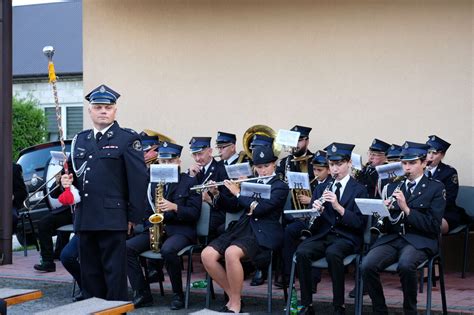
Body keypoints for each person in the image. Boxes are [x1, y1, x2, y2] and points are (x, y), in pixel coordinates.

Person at [57, 84, 148, 301]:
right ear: (90, 111)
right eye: (98, 107)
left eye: (108, 107)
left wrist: (133, 217)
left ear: (115, 110)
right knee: (90, 275)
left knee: (114, 276)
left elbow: (138, 180)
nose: (103, 111)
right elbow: (74, 176)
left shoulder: (127, 139)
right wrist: (65, 181)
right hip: (85, 216)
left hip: (113, 217)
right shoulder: (80, 140)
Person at [201, 145, 289, 313]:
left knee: (231, 253)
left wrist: (239, 193)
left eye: (266, 166)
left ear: (274, 165)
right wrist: (217, 194)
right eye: (259, 167)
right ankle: (234, 296)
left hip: (265, 231)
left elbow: (261, 209)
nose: (262, 171)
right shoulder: (248, 182)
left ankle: (235, 305)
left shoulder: (280, 186)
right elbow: (233, 207)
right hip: (243, 227)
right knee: (207, 255)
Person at [361, 141, 446, 315]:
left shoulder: (435, 188)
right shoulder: (392, 186)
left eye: (412, 163)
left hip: (420, 239)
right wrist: (381, 211)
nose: (407, 167)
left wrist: (406, 209)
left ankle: (410, 311)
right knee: (367, 265)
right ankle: (380, 310)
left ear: (424, 163)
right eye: (404, 163)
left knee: (406, 265)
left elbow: (433, 225)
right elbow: (386, 225)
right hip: (394, 238)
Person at [294, 142, 368, 315]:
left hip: (347, 237)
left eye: (339, 164)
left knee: (333, 253)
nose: (335, 169)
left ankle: (338, 305)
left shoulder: (360, 190)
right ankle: (307, 304)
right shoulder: (321, 188)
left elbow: (359, 223)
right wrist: (316, 212)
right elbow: (313, 225)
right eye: (332, 165)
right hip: (325, 236)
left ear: (349, 163)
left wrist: (337, 206)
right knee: (302, 251)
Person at [127, 142, 201, 309]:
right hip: (156, 229)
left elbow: (194, 213)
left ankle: (177, 295)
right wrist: (151, 228)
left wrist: (175, 207)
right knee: (127, 248)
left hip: (180, 230)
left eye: (170, 161)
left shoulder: (189, 181)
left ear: (178, 162)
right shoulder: (152, 184)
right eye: (163, 162)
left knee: (168, 250)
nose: (166, 165)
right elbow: (146, 211)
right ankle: (142, 292)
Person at [276, 150, 331, 291]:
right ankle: (288, 275)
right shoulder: (312, 181)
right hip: (307, 219)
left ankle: (312, 280)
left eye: (320, 170)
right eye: (314, 169)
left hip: (323, 222)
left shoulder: (331, 184)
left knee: (314, 236)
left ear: (329, 170)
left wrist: (310, 200)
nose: (316, 173)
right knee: (288, 231)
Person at [187, 136, 236, 238]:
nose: (197, 159)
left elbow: (229, 202)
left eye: (200, 154)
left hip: (215, 213)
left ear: (210, 151)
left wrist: (210, 200)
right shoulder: (193, 171)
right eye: (194, 155)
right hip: (195, 212)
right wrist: (191, 177)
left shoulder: (222, 169)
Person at [425, 135, 469, 233]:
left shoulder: (449, 172)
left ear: (442, 155)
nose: (430, 156)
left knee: (429, 226)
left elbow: (449, 198)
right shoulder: (419, 169)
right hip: (420, 211)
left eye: (435, 153)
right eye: (428, 152)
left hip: (444, 212)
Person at [12, 162, 27, 235]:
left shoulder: (14, 168)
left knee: (10, 218)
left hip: (9, 206)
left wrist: (13, 196)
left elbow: (23, 192)